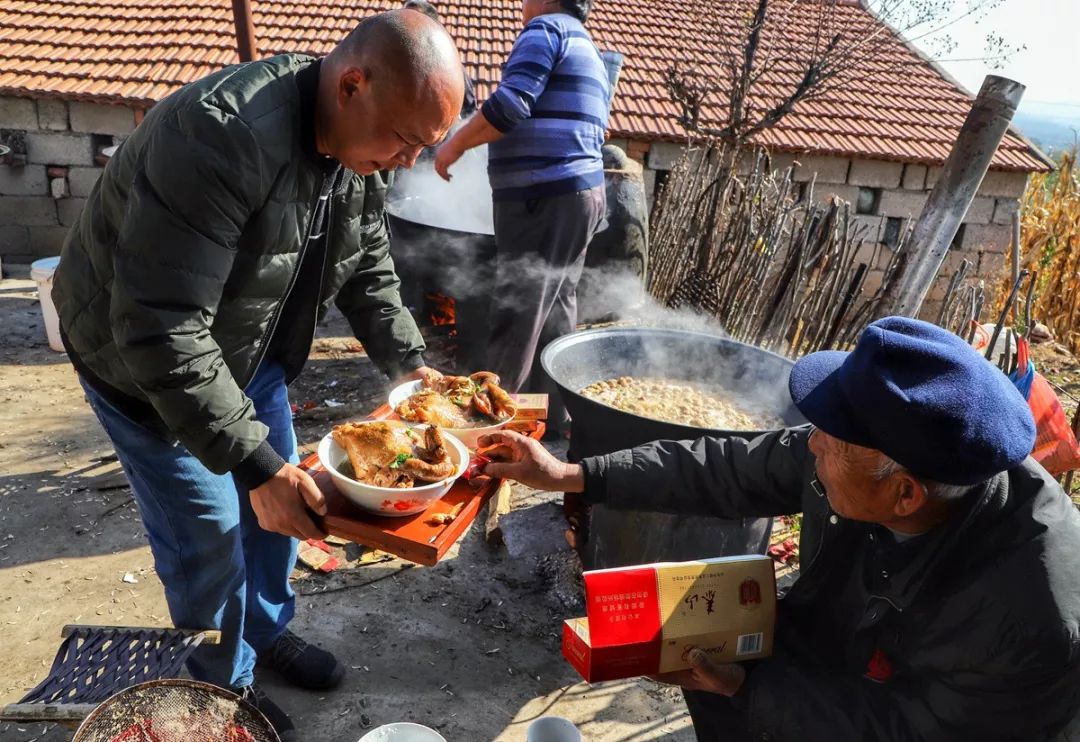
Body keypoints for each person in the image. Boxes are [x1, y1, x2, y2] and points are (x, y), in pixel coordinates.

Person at [52, 11, 464, 741]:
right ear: (352, 84)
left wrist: (414, 369)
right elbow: (161, 327)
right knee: (211, 532)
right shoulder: (217, 137)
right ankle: (221, 689)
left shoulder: (358, 150)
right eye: (404, 141)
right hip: (143, 369)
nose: (406, 162)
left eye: (419, 148)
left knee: (286, 506)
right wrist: (251, 463)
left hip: (250, 351)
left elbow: (366, 264)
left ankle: (264, 635)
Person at [479, 317, 1080, 741]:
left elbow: (907, 732)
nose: (810, 441)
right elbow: (727, 468)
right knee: (720, 670)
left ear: (903, 493)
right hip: (855, 645)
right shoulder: (886, 453)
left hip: (928, 716)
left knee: (746, 691)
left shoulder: (1028, 618)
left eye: (830, 439)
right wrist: (571, 474)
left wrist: (749, 690)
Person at [434, 0, 609, 434]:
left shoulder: (545, 30)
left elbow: (510, 106)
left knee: (520, 310)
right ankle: (551, 419)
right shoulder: (586, 44)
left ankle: (488, 429)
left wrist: (453, 145)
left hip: (544, 197)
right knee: (556, 310)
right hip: (580, 194)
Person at [402, 0, 478, 117]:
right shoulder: (390, 61)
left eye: (412, 19)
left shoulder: (450, 69)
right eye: (402, 17)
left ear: (431, 26)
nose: (404, 24)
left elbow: (468, 112)